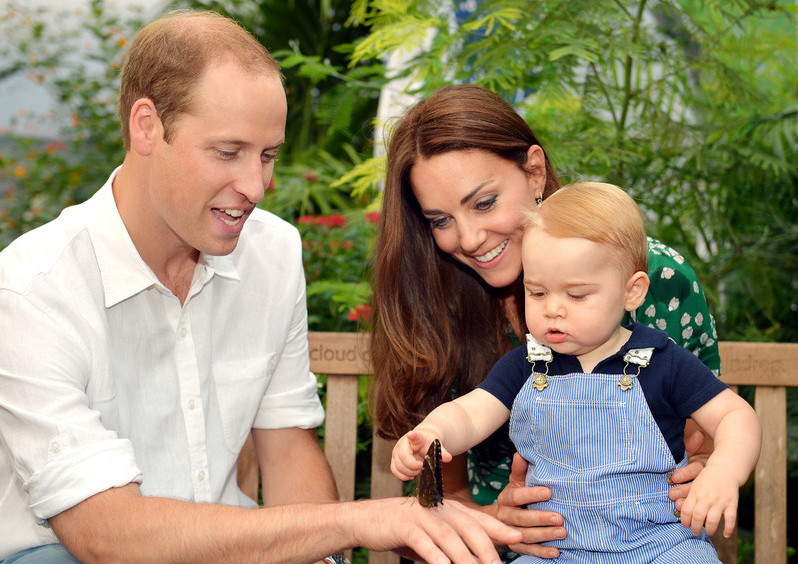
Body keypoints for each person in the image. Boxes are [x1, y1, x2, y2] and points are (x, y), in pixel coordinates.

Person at [0, 12, 522, 564]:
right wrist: (356, 519)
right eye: (228, 152)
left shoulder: (271, 252)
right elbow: (103, 536)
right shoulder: (32, 290)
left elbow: (287, 446)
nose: (255, 186)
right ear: (146, 126)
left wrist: (326, 556)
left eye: (268, 155)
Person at [369, 84, 722, 560]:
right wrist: (497, 522)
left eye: (485, 202)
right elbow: (436, 507)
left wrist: (706, 470)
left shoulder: (651, 278)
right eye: (439, 220)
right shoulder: (438, 305)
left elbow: (715, 436)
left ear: (534, 171)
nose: (469, 239)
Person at [390, 182, 761, 563]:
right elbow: (469, 413)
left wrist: (724, 471)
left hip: (660, 542)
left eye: (577, 295)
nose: (553, 309)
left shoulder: (662, 361)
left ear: (632, 292)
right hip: (553, 549)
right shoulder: (526, 366)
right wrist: (434, 433)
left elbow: (735, 415)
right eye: (537, 292)